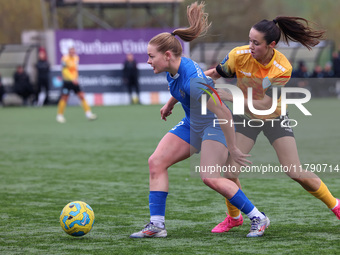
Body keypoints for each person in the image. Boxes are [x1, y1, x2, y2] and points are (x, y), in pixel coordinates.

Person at [130, 2, 270, 239]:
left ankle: (258, 217)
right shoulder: (172, 69)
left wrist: (233, 149)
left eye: (150, 56)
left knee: (210, 177)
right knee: (156, 162)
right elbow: (179, 87)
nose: (148, 61)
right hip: (193, 124)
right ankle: (157, 225)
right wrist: (170, 104)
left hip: (215, 123)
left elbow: (224, 113)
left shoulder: (195, 82)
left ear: (167, 55)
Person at [204, 16, 340, 233]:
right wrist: (195, 80)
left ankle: (335, 204)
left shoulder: (281, 67)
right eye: (249, 40)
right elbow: (216, 73)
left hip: (274, 116)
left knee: (294, 170)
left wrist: (232, 97)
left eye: (256, 43)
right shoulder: (238, 55)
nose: (250, 46)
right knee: (230, 172)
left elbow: (266, 104)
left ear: (271, 45)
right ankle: (234, 218)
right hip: (246, 119)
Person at [56, 47, 97, 123]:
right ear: (68, 51)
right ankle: (59, 116)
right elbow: (64, 70)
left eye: (73, 51)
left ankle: (88, 114)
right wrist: (72, 79)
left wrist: (76, 78)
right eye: (71, 51)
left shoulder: (76, 58)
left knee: (81, 96)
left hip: (75, 82)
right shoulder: (64, 58)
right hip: (67, 82)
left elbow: (75, 70)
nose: (72, 52)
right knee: (64, 98)